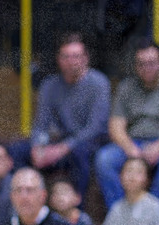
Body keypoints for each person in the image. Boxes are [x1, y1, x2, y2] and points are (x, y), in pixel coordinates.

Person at [94, 39, 159, 209]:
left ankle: (149, 210)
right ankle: (121, 210)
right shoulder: (126, 87)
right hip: (133, 142)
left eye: (151, 63)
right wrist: (130, 148)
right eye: (141, 64)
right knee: (104, 159)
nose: (146, 68)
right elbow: (115, 125)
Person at [8, 33, 110, 196]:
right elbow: (41, 124)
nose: (71, 62)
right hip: (59, 143)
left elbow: (95, 127)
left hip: (88, 144)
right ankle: (23, 203)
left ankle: (77, 214)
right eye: (66, 57)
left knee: (80, 154)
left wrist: (64, 147)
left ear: (85, 59)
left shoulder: (99, 83)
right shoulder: (50, 85)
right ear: (59, 59)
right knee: (16, 151)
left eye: (76, 56)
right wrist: (38, 146)